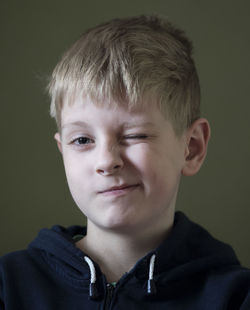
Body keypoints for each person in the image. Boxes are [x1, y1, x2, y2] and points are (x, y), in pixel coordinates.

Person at [0, 15, 249, 310]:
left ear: (191, 147)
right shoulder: (9, 287)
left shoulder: (235, 297)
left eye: (135, 135)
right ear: (62, 150)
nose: (106, 161)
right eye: (82, 140)